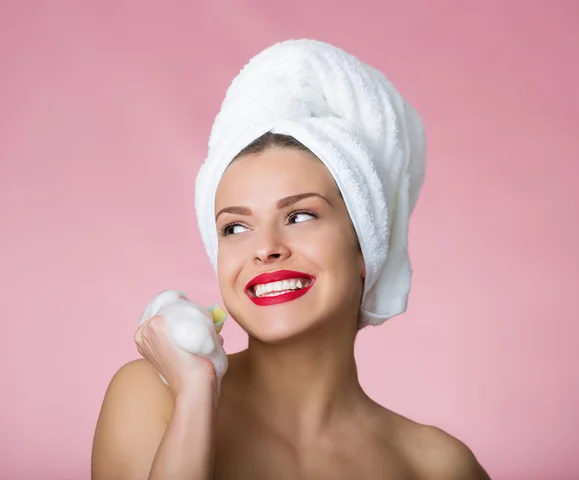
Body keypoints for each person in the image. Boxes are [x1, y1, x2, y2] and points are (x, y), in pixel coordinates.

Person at [92, 40, 490, 480]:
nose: (265, 247)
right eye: (235, 227)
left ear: (366, 247)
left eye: (300, 215)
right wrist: (195, 396)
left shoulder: (438, 467)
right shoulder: (152, 397)